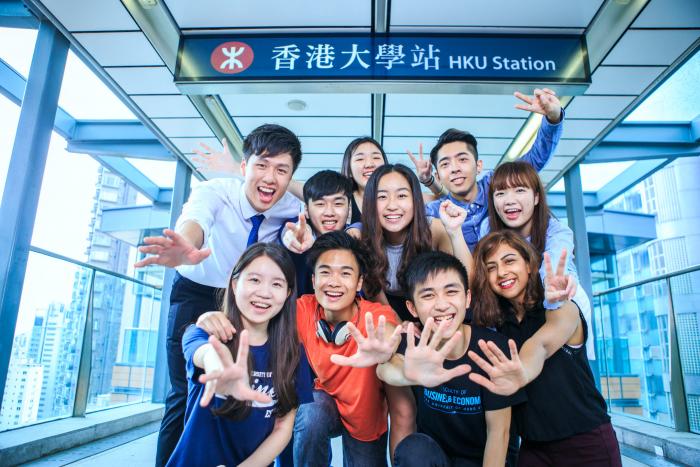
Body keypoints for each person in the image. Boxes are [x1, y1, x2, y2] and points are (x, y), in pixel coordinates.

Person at [135, 124, 303, 467]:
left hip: (254, 300)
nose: (270, 178)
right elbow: (194, 221)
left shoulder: (292, 207)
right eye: (261, 165)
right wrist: (186, 245)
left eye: (281, 170)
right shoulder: (215, 190)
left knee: (270, 394)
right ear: (244, 168)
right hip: (199, 289)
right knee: (185, 392)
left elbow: (326, 195)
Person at [196, 231, 415, 465]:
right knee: (310, 413)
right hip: (324, 406)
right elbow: (258, 313)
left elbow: (389, 330)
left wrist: (386, 349)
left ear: (359, 282)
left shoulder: (376, 315)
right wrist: (213, 317)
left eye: (345, 273)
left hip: (366, 419)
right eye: (325, 272)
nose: (333, 282)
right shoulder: (302, 310)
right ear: (313, 281)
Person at [468, 231, 621, 467]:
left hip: (586, 442)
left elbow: (539, 346)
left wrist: (523, 373)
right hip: (533, 447)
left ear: (529, 265)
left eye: (509, 261)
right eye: (491, 267)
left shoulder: (562, 308)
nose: (501, 273)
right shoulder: (497, 323)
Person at [361, 251, 524, 466]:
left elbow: (499, 434)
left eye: (451, 292)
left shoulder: (493, 347)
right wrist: (410, 376)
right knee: (412, 449)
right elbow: (386, 370)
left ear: (467, 298)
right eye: (428, 295)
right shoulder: (413, 344)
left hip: (482, 458)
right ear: (412, 308)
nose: (441, 304)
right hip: (436, 457)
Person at [167, 243, 313, 467]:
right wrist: (219, 370)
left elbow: (282, 427)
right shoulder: (206, 332)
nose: (264, 293)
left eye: (276, 284)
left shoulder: (293, 353)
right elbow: (202, 352)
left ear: (288, 293)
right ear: (235, 284)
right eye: (254, 280)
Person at [422, 89, 564, 251]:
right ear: (438, 176)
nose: (455, 169)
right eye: (445, 164)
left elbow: (536, 158)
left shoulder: (498, 184)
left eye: (462, 159)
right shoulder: (434, 213)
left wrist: (553, 118)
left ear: (479, 166)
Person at [483, 161, 593, 357]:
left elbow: (555, 268)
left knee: (564, 366)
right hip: (518, 307)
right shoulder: (488, 229)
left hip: (559, 297)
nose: (509, 200)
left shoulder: (557, 231)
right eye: (500, 193)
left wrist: (552, 287)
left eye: (519, 190)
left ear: (536, 197)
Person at [347, 163, 472, 322]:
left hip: (433, 308)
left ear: (415, 200)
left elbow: (466, 281)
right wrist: (400, 326)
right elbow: (373, 290)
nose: (392, 206)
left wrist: (455, 232)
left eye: (402, 196)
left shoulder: (435, 229)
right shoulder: (360, 236)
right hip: (386, 310)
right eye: (382, 197)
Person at [283, 170, 353, 295]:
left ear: (349, 208)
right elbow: (288, 235)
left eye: (338, 203)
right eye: (320, 204)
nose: (329, 212)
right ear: (306, 210)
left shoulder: (356, 239)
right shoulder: (298, 236)